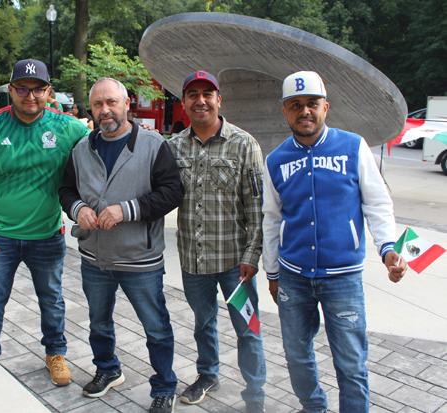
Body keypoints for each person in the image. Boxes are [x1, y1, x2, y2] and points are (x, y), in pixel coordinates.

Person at [262, 71, 408, 413]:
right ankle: (313, 408)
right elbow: (271, 219)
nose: (305, 111)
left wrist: (388, 248)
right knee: (297, 356)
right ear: (284, 111)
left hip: (343, 277)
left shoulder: (353, 146)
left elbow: (377, 202)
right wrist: (271, 273)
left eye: (312, 103)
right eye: (295, 105)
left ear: (326, 107)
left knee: (351, 364)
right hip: (293, 277)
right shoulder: (275, 160)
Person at [0, 58, 90, 387]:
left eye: (38, 90)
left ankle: (55, 353)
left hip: (47, 235)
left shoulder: (69, 127)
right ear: (11, 89)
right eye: (22, 89)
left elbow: (104, 144)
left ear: (49, 91)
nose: (29, 96)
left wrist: (135, 131)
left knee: (52, 299)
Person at [59, 77, 182, 413]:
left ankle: (164, 386)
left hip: (139, 258)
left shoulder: (154, 145)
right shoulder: (82, 149)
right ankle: (108, 369)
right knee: (99, 321)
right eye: (98, 104)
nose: (105, 110)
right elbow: (66, 189)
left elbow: (172, 192)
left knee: (156, 327)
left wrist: (128, 210)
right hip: (94, 256)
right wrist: (77, 208)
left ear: (126, 103)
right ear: (92, 109)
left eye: (112, 102)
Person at [167, 71, 266, 413]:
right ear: (184, 103)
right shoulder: (173, 146)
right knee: (202, 323)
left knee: (248, 327)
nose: (200, 100)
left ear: (219, 100)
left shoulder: (243, 144)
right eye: (192, 94)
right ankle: (207, 375)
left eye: (207, 94)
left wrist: (252, 255)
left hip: (234, 264)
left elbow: (257, 206)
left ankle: (255, 392)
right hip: (193, 262)